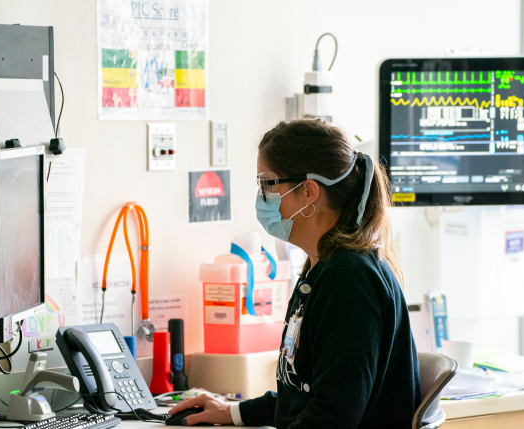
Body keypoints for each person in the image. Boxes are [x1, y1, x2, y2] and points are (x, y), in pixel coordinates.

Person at [170, 119, 421, 428]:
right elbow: (305, 396)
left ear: (308, 191)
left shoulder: (350, 279)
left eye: (267, 184)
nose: (261, 197)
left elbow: (334, 416)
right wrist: (232, 412)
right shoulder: (321, 267)